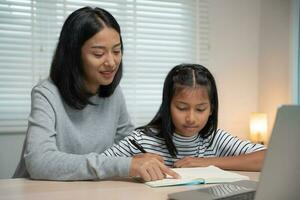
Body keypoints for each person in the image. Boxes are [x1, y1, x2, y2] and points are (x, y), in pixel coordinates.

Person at [13, 6, 178, 181]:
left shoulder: (113, 93)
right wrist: (124, 165)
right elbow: (39, 162)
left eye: (116, 51)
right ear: (74, 55)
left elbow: (129, 144)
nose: (112, 62)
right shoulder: (46, 94)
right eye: (99, 53)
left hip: (87, 189)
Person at [103, 63, 266, 175]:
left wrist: (206, 163)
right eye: (182, 108)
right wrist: (131, 162)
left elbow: (267, 158)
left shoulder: (214, 139)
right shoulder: (141, 140)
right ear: (167, 106)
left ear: (211, 109)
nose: (191, 118)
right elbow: (98, 165)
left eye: (200, 109)